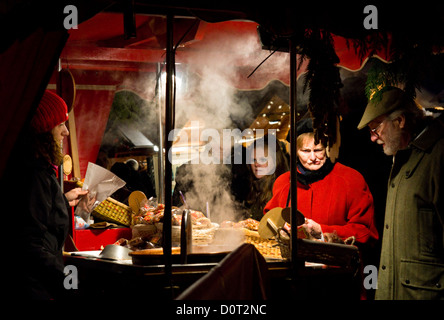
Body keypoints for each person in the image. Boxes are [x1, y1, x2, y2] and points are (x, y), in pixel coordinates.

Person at [357, 86, 444, 300]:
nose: (373, 138)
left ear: (400, 121)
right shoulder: (403, 157)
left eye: (376, 128)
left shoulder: (437, 155)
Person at [4, 90, 88, 300]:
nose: (66, 132)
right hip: (31, 289)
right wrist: (72, 284)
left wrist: (62, 200)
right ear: (43, 129)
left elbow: (38, 218)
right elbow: (30, 245)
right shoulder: (33, 173)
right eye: (61, 124)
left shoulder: (32, 168)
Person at [264, 118, 378, 246]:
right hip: (293, 263)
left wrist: (322, 231)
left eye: (318, 150)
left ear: (328, 148)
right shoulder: (284, 181)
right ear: (296, 152)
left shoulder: (351, 179)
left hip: (335, 264)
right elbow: (269, 222)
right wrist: (281, 229)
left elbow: (366, 232)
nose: (313, 158)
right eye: (306, 151)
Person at [240, 134, 289, 221]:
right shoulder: (253, 187)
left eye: (262, 159)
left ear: (275, 162)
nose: (257, 164)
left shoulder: (283, 189)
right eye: (253, 160)